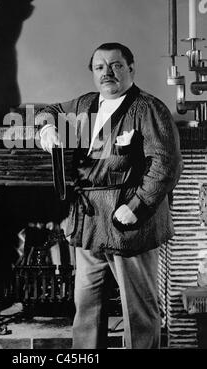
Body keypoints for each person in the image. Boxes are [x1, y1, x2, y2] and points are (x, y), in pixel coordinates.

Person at [35, 42, 183, 349]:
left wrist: (138, 206)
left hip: (129, 222)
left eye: (115, 66)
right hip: (89, 222)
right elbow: (48, 111)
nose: (107, 73)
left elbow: (166, 164)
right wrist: (47, 127)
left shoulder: (147, 108)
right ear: (93, 73)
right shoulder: (86, 103)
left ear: (130, 68)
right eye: (100, 67)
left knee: (139, 310)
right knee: (87, 306)